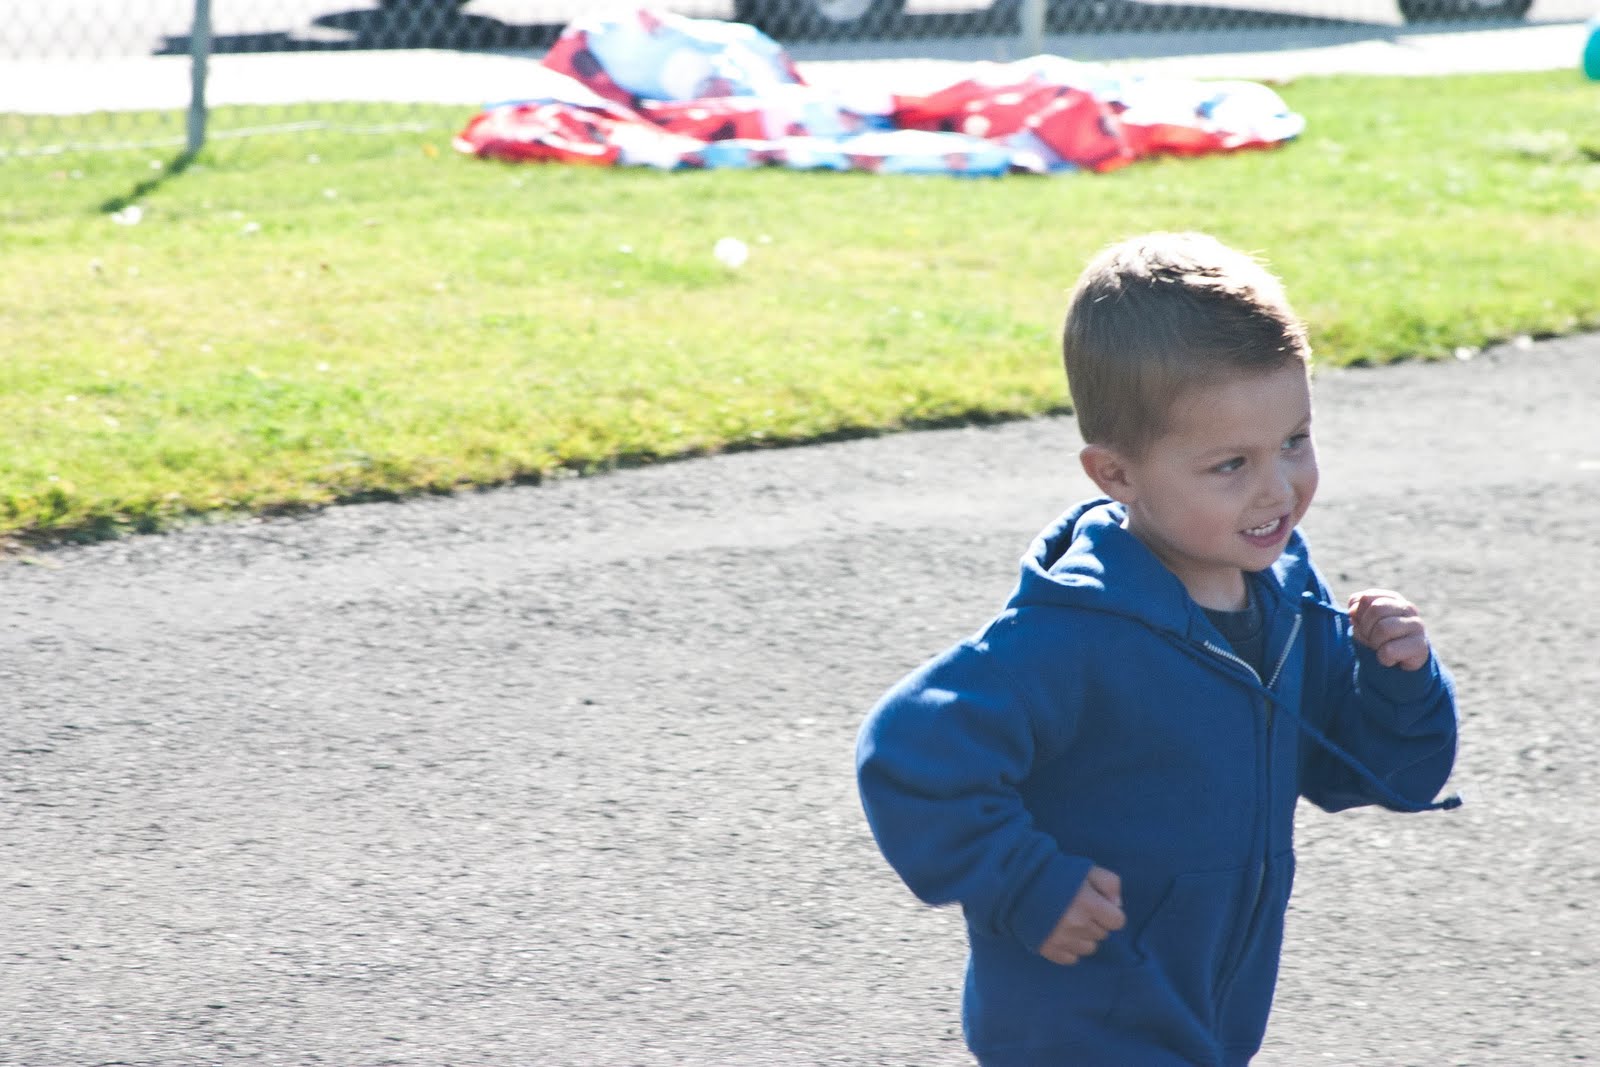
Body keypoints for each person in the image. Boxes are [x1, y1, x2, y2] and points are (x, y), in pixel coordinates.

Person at [854, 232, 1460, 1066]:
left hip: (1207, 1009)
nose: (1278, 488)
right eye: (1231, 463)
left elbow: (1368, 772)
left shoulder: (1286, 593)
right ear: (1116, 475)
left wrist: (1397, 683)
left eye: (1294, 440)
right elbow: (908, 751)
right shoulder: (1074, 633)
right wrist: (1025, 881)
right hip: (1082, 1019)